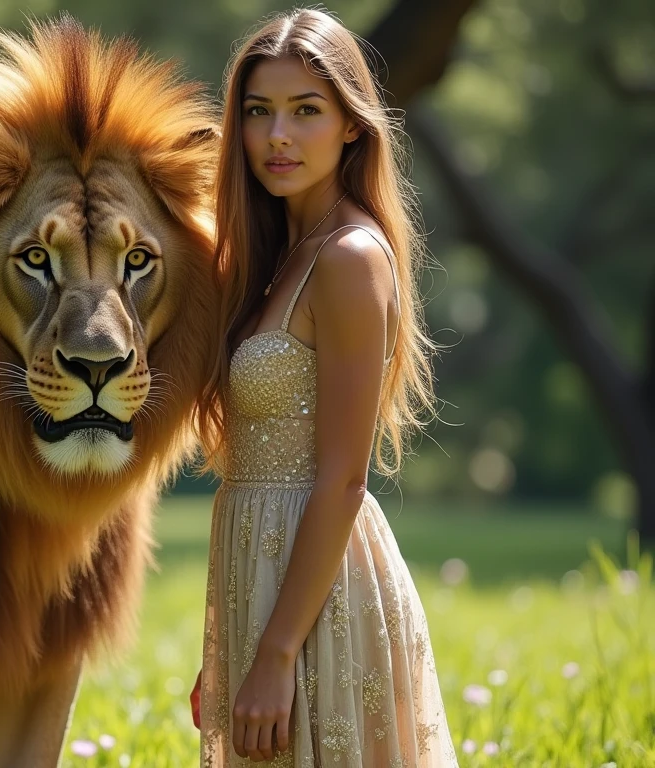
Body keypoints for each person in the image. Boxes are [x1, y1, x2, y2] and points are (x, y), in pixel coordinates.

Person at [192, 7, 458, 766]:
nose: (277, 135)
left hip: (322, 595)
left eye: (306, 111)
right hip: (264, 582)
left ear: (351, 125)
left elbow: (342, 479)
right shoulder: (277, 260)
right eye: (258, 112)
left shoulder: (347, 257)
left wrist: (274, 655)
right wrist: (231, 650)